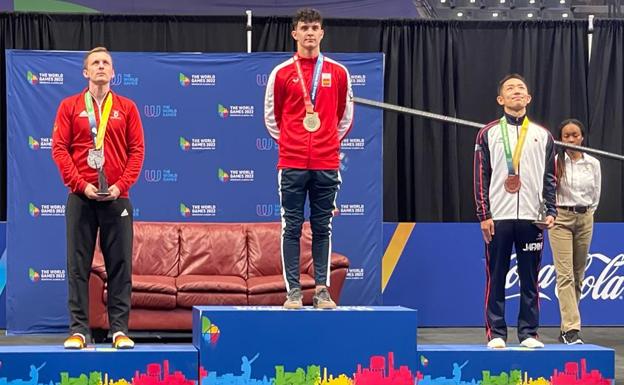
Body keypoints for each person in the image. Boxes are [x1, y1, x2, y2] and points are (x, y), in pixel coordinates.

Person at [52, 47, 145, 349]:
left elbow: (137, 152)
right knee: (78, 266)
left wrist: (120, 186)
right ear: (86, 72)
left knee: (120, 266)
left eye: (106, 63)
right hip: (81, 197)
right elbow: (59, 149)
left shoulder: (127, 108)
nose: (101, 67)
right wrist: (80, 184)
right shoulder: (69, 106)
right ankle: (79, 330)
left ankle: (119, 330)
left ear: (113, 73)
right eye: (95, 63)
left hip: (117, 197)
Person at [264, 8, 354, 309]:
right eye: (304, 28)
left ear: (322, 33)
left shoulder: (339, 72)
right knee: (291, 226)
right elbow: (272, 118)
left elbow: (345, 117)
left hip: (327, 163)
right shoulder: (281, 73)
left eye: (315, 27)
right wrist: (294, 141)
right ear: (294, 33)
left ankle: (321, 290)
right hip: (291, 162)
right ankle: (292, 291)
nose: (310, 33)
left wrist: (326, 140)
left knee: (322, 227)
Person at [473, 74, 556, 349]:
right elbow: (480, 175)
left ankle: (529, 333)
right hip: (498, 217)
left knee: (531, 280)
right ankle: (496, 333)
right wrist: (484, 215)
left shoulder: (543, 135)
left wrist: (551, 210)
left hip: (533, 217)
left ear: (529, 98)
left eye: (521, 88)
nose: (516, 92)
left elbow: (550, 178)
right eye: (510, 89)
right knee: (495, 277)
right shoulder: (488, 133)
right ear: (501, 99)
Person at [549, 119, 601, 345]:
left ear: (582, 137)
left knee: (579, 275)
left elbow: (596, 194)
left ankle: (565, 329)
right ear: (561, 139)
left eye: (575, 135)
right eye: (566, 136)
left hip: (585, 217)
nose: (571, 139)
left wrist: (586, 213)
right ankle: (572, 330)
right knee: (565, 275)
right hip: (561, 218)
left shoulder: (593, 163)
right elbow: (547, 190)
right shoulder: (555, 162)